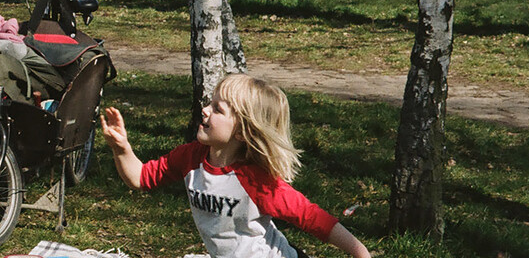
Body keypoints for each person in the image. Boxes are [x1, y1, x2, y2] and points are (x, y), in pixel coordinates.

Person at [101, 74, 370, 258]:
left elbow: (313, 219)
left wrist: (359, 251)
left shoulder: (256, 181)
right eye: (209, 104)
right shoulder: (191, 157)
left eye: (217, 109)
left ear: (242, 131)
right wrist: (122, 148)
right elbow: (140, 178)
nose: (205, 110)